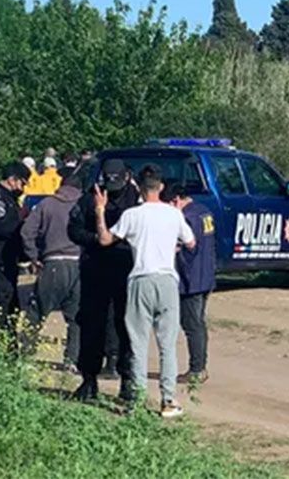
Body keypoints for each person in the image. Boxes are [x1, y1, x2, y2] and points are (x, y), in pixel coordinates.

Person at [95, 165, 195, 418]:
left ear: (139, 187)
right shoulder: (173, 215)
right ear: (161, 187)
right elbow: (191, 242)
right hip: (167, 281)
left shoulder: (132, 215)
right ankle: (168, 399)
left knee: (138, 343)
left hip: (140, 279)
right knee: (167, 344)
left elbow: (106, 239)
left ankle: (137, 400)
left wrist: (99, 211)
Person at [68, 158, 140, 401]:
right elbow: (74, 230)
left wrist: (116, 240)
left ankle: (127, 380)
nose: (113, 188)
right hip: (95, 268)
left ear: (126, 177)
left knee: (125, 325)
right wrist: (95, 239)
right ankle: (89, 380)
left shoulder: (136, 200)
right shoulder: (90, 198)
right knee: (91, 323)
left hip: (125, 268)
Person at [21, 173, 84, 367]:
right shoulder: (85, 204)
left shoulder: (47, 204)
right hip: (78, 264)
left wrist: (33, 256)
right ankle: (71, 360)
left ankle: (26, 355)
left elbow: (26, 231)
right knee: (77, 317)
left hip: (52, 262)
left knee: (37, 312)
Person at [163, 183, 216, 385]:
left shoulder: (185, 217)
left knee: (192, 325)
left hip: (190, 279)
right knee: (199, 323)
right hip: (205, 276)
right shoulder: (205, 212)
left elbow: (184, 248)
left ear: (176, 200)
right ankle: (199, 365)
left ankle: (197, 368)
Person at [0, 162, 29, 347]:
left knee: (12, 305)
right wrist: (24, 227)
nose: (23, 188)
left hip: (8, 258)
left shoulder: (9, 198)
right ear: (12, 179)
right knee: (2, 303)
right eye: (22, 183)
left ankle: (7, 344)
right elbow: (1, 227)